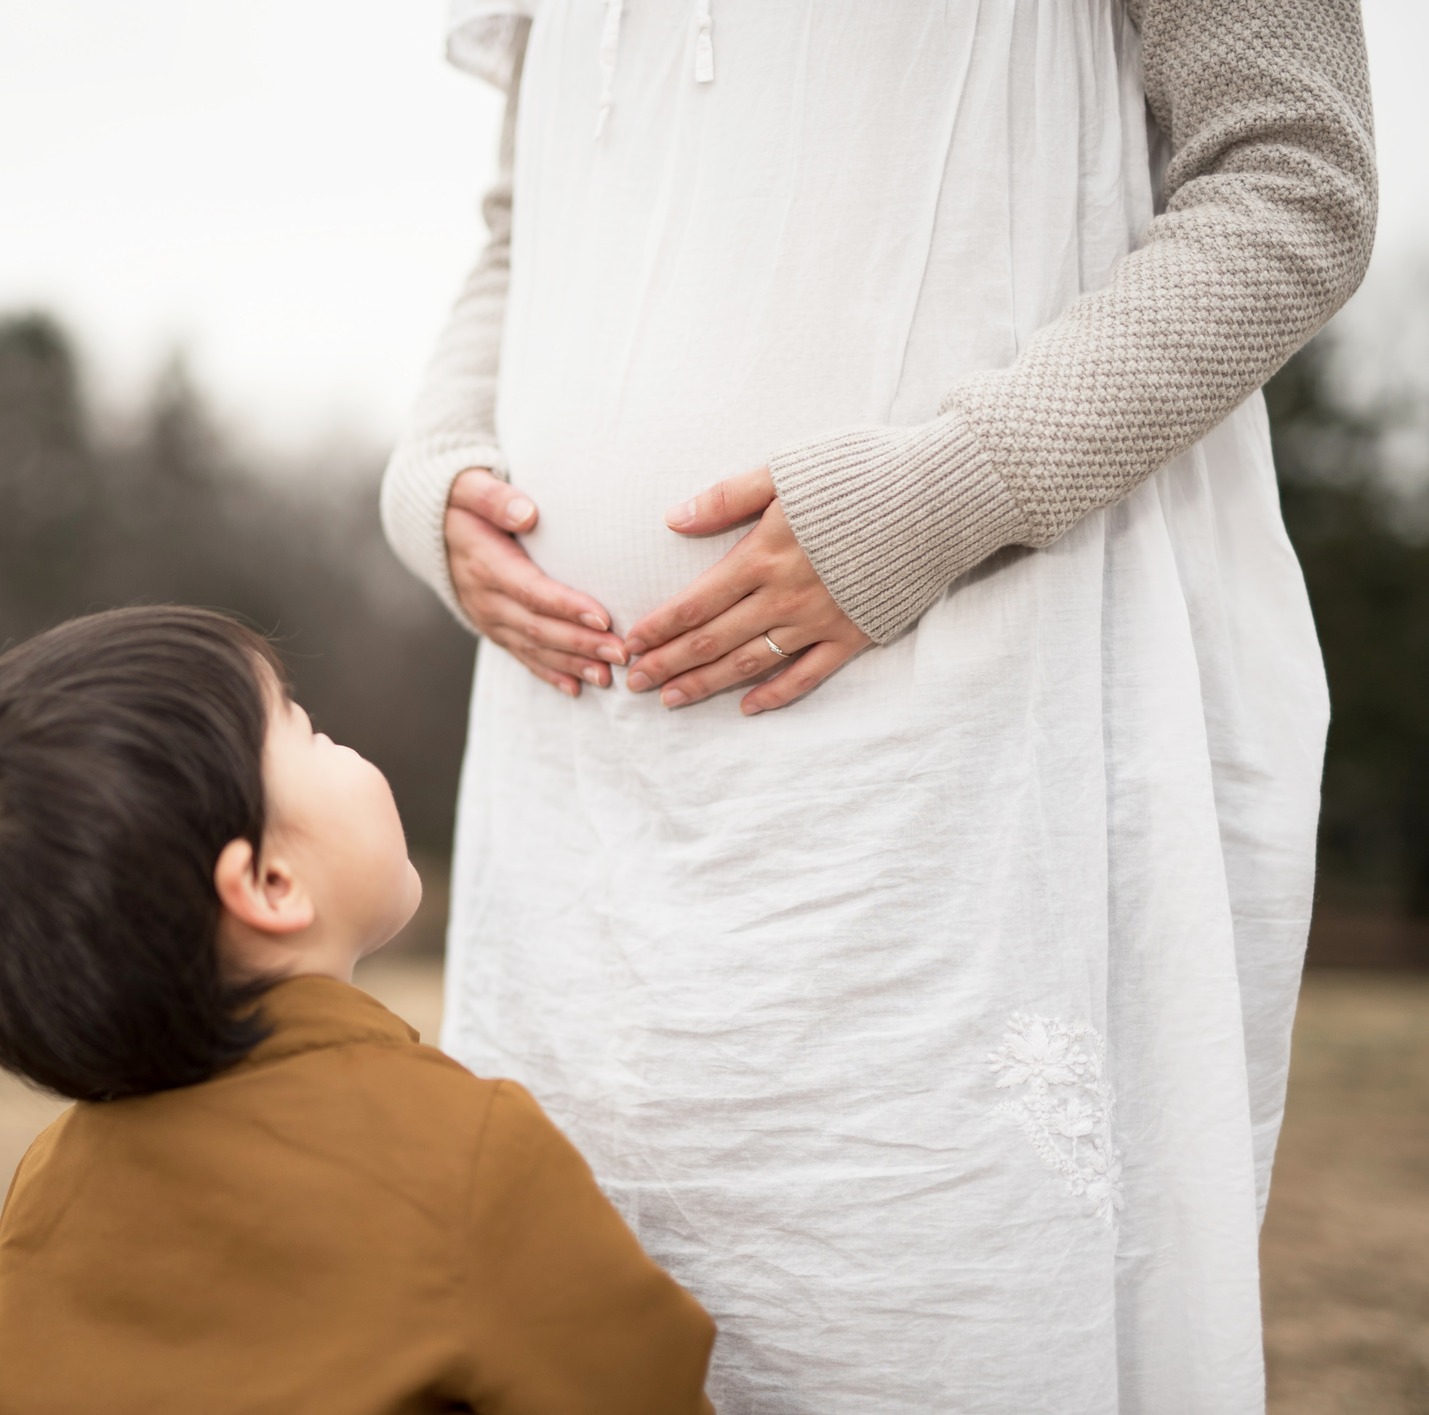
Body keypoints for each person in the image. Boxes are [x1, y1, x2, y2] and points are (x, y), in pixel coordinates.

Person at [381, 2, 1375, 1411]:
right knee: (564, 1335)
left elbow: (1292, 180)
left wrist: (933, 501)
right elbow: (517, 225)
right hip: (579, 791)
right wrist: (430, 471)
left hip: (950, 745)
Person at [0, 605, 716, 1414]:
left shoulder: (45, 1189)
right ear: (270, 884)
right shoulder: (467, 1149)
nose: (343, 746)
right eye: (309, 730)